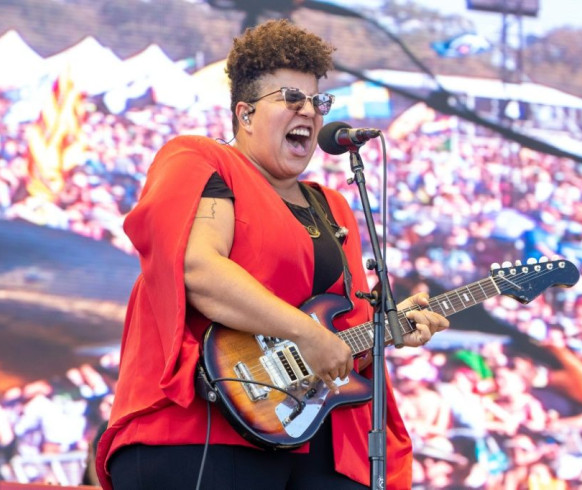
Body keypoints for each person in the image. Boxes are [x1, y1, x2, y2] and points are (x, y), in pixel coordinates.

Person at [95, 19, 449, 490]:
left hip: (313, 434)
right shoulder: (202, 160)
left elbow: (338, 339)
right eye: (291, 98)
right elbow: (198, 270)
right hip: (205, 426)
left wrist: (390, 327)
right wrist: (306, 332)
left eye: (318, 101)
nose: (310, 110)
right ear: (244, 114)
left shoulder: (332, 205)